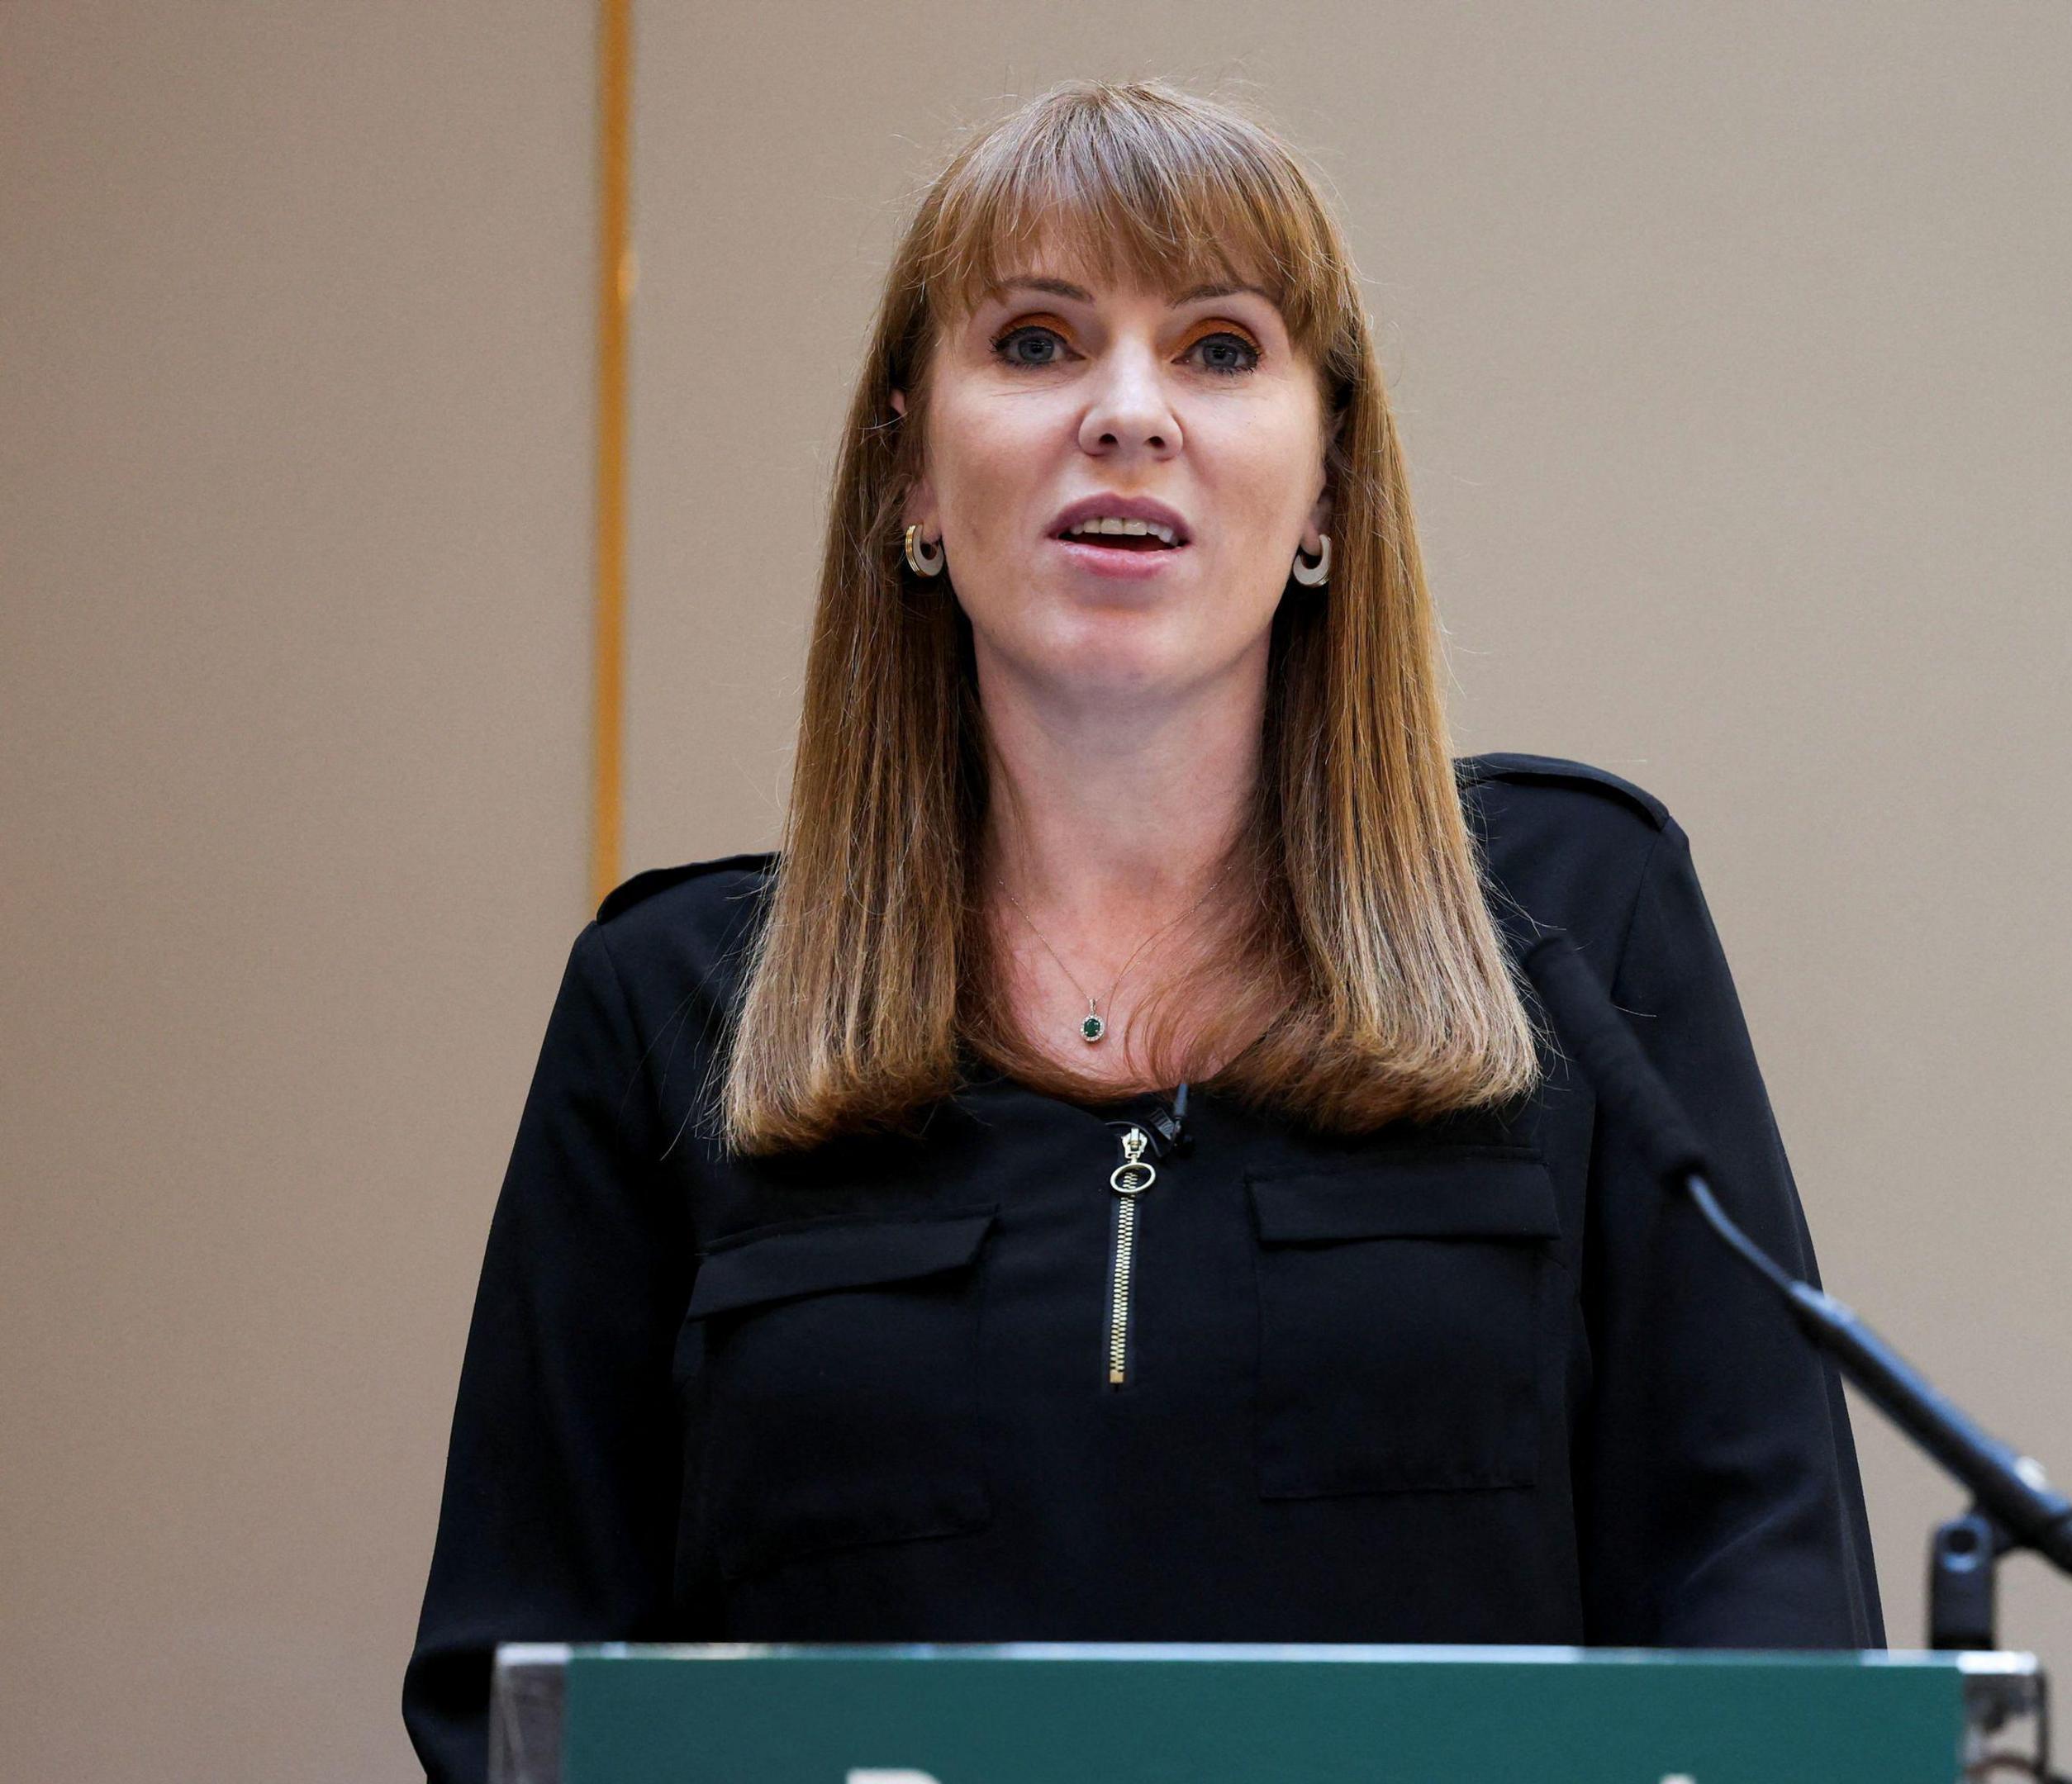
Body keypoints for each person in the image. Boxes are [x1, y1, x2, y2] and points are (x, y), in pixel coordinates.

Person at [401, 78, 1881, 1783]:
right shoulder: (670, 1007)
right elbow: (513, 1695)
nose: (1126, 414)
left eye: (1220, 349)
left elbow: (1763, 1596)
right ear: (911, 473)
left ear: (1329, 488)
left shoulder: (1569, 931)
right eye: (1034, 343)